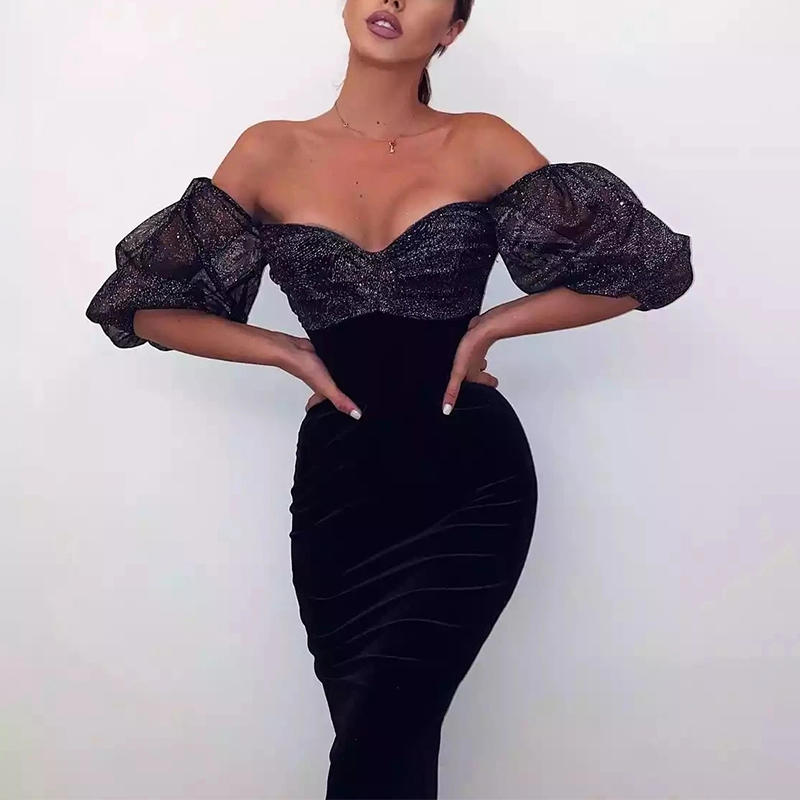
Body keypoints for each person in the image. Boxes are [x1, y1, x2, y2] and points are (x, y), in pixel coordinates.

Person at [85, 0, 694, 796]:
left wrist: (491, 326)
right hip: (343, 490)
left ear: (452, 31)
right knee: (382, 746)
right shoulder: (268, 150)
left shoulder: (481, 141)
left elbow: (647, 268)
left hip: (470, 480)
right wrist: (284, 351)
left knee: (379, 741)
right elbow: (140, 305)